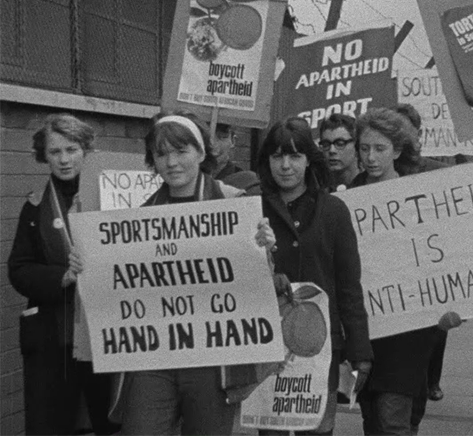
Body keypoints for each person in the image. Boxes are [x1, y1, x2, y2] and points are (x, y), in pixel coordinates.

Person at [120, 113, 281, 436]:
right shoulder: (141, 217)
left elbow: (256, 284)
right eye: (161, 153)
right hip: (157, 355)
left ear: (202, 154)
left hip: (214, 359)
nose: (171, 162)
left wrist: (265, 250)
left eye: (181, 151)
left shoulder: (234, 204)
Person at [257, 116, 374, 436]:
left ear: (309, 159)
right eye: (277, 156)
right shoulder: (252, 209)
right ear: (267, 161)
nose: (285, 165)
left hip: (322, 346)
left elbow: (349, 285)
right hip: (269, 348)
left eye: (294, 156)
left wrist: (359, 351)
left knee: (318, 430)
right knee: (272, 431)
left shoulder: (334, 210)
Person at [351, 108, 462, 436]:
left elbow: (445, 256)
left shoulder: (420, 198)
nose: (370, 157)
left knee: (392, 418)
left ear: (398, 151)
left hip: (409, 331)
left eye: (380, 149)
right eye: (364, 148)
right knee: (372, 417)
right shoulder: (346, 197)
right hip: (365, 327)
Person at [8, 113, 119, 436]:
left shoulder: (111, 197)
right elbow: (19, 269)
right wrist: (62, 277)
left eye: (71, 149)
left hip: (105, 334)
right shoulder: (35, 206)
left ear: (86, 150)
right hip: (54, 338)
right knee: (51, 425)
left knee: (109, 423)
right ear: (44, 155)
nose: (64, 159)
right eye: (55, 152)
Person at [318, 113, 360, 190]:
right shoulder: (319, 194)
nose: (332, 150)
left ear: (357, 145)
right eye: (326, 144)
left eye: (340, 144)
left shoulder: (373, 185)